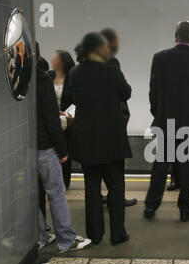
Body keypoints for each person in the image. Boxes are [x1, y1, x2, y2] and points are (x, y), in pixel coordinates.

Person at [144, 20, 189, 222]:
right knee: (188, 167)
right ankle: (185, 209)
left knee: (160, 165)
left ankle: (151, 206)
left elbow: (153, 91)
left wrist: (158, 113)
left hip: (166, 121)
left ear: (176, 37)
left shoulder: (160, 58)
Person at [70, 32, 132, 246]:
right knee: (116, 186)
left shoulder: (75, 73)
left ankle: (95, 235)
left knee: (92, 187)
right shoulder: (112, 72)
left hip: (87, 139)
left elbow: (72, 98)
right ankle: (118, 234)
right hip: (112, 139)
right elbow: (127, 93)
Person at [35, 42, 91, 252]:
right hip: (44, 146)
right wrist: (63, 150)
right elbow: (50, 119)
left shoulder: (19, 81)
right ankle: (67, 239)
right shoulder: (43, 80)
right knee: (56, 193)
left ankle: (40, 236)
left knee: (33, 196)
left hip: (25, 147)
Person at [100, 28, 138, 208]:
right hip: (113, 123)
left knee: (96, 172)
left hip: (93, 127)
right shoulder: (112, 63)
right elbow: (125, 91)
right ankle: (117, 199)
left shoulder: (83, 65)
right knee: (115, 170)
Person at [49, 50, 76, 189]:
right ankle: (53, 180)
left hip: (66, 119)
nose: (53, 61)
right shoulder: (50, 75)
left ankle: (65, 182)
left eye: (56, 59)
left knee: (66, 150)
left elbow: (76, 99)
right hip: (52, 119)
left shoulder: (72, 76)